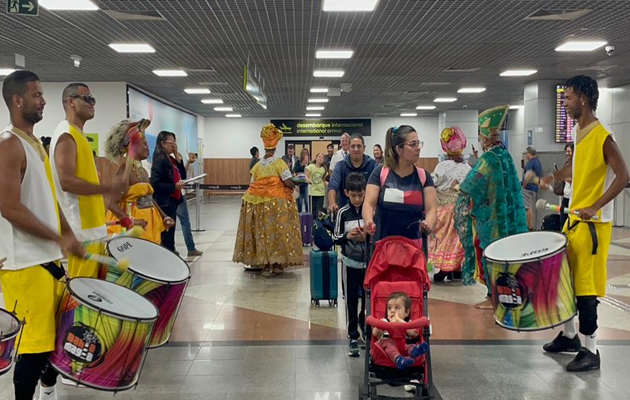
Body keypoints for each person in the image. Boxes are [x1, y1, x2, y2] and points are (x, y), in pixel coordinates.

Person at [0, 70, 85, 400]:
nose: (43, 100)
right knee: (33, 347)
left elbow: (48, 198)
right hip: (23, 264)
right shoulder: (8, 145)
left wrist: (67, 232)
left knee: (52, 342)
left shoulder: (36, 143)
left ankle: (47, 395)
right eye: (37, 95)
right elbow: (9, 207)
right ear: (17, 100)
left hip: (45, 261)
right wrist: (57, 237)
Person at [537, 75, 629, 372]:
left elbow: (624, 176)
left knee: (586, 290)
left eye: (569, 97)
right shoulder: (579, 131)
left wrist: (595, 205)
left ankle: (592, 351)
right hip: (574, 220)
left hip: (593, 225)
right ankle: (569, 336)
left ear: (585, 98)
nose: (565, 103)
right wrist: (553, 179)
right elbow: (575, 168)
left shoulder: (603, 135)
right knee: (566, 278)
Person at [49, 83, 127, 279]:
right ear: (71, 102)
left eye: (93, 99)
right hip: (81, 232)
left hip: (92, 230)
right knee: (84, 300)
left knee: (96, 298)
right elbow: (66, 181)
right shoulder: (67, 134)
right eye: (87, 98)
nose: (92, 103)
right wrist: (106, 186)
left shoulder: (77, 134)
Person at [454, 105, 528, 309]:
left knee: (489, 253)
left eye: (480, 134)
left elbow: (471, 183)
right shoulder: (505, 155)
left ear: (485, 137)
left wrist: (458, 188)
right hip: (507, 217)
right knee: (505, 254)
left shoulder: (488, 158)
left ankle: (493, 294)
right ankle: (504, 293)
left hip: (492, 219)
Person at [233, 123, 303, 277]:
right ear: (275, 147)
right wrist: (299, 181)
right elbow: (287, 181)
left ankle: (265, 265)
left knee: (262, 233)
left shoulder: (257, 166)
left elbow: (252, 184)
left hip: (258, 206)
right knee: (277, 233)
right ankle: (277, 264)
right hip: (277, 205)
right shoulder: (279, 163)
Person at [102, 119, 175, 244]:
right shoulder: (124, 171)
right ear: (132, 146)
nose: (148, 147)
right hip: (132, 227)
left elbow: (149, 198)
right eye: (144, 143)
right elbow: (110, 202)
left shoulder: (143, 172)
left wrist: (164, 216)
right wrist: (130, 221)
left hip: (148, 223)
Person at [363, 126, 437, 244]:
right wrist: (368, 221)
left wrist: (428, 223)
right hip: (384, 248)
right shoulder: (380, 174)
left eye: (419, 143)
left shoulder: (424, 176)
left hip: (414, 249)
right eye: (413, 144)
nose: (418, 148)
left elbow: (432, 208)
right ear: (399, 149)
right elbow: (368, 204)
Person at [332, 173, 367, 358]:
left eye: (360, 195)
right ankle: (352, 336)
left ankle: (365, 326)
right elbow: (335, 237)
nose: (357, 199)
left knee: (367, 300)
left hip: (367, 264)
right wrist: (348, 236)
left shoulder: (369, 211)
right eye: (353, 195)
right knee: (351, 300)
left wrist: (366, 237)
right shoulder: (343, 213)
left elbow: (376, 236)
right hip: (349, 264)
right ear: (346, 193)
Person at [429, 127, 471, 281]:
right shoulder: (468, 167)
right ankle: (457, 268)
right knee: (459, 239)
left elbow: (433, 182)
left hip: (445, 209)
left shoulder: (442, 166)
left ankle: (445, 269)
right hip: (463, 208)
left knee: (444, 238)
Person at [371, 292, 429, 370]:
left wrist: (400, 322)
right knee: (387, 343)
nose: (392, 311)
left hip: (404, 348)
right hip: (387, 351)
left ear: (407, 312)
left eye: (397, 308)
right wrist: (381, 326)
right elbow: (374, 334)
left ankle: (415, 351)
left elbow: (415, 334)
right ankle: (398, 359)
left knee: (410, 346)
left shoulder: (409, 323)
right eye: (389, 308)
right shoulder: (384, 321)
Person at [151, 131, 186, 253]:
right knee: (167, 233)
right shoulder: (160, 159)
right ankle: (169, 254)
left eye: (175, 142)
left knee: (171, 231)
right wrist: (173, 187)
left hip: (174, 200)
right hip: (165, 202)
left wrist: (178, 158)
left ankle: (171, 252)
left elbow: (183, 175)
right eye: (171, 142)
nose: (174, 145)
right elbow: (155, 183)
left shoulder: (170, 159)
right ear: (162, 143)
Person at [328, 133, 377, 214]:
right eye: (353, 146)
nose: (356, 149)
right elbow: (333, 185)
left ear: (364, 148)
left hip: (369, 212)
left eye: (359, 146)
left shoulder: (373, 165)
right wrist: (332, 202)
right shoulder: (340, 166)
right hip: (346, 212)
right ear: (348, 148)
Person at [174, 146, 203, 257]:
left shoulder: (175, 159)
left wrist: (186, 163)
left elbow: (182, 175)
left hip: (179, 195)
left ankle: (190, 248)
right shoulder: (166, 161)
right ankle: (172, 248)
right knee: (181, 222)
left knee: (184, 222)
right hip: (172, 196)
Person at [553, 143, 574, 229]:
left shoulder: (577, 164)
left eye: (569, 151)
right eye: (566, 151)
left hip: (573, 198)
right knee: (563, 221)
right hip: (566, 196)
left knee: (570, 221)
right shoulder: (567, 164)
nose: (567, 153)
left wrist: (565, 178)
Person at [522, 146, 543, 230]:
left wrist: (524, 184)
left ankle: (530, 226)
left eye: (527, 153)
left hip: (528, 187)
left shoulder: (530, 162)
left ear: (530, 153)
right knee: (530, 207)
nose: (526, 155)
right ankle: (530, 225)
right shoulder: (537, 162)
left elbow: (529, 174)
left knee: (527, 207)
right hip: (534, 187)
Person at [305, 152, 327, 219]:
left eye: (322, 157)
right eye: (319, 156)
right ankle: (312, 225)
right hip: (312, 192)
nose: (321, 158)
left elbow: (323, 179)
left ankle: (319, 225)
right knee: (313, 211)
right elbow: (306, 175)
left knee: (319, 212)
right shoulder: (311, 167)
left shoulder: (324, 169)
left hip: (320, 192)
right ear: (316, 158)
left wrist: (326, 183)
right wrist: (307, 180)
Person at [293, 147, 310, 213]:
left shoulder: (310, 163)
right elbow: (295, 171)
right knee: (299, 202)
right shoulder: (298, 162)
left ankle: (307, 216)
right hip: (299, 185)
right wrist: (302, 164)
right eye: (304, 153)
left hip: (306, 185)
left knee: (306, 201)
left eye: (306, 153)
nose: (305, 154)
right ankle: (299, 215)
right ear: (301, 154)